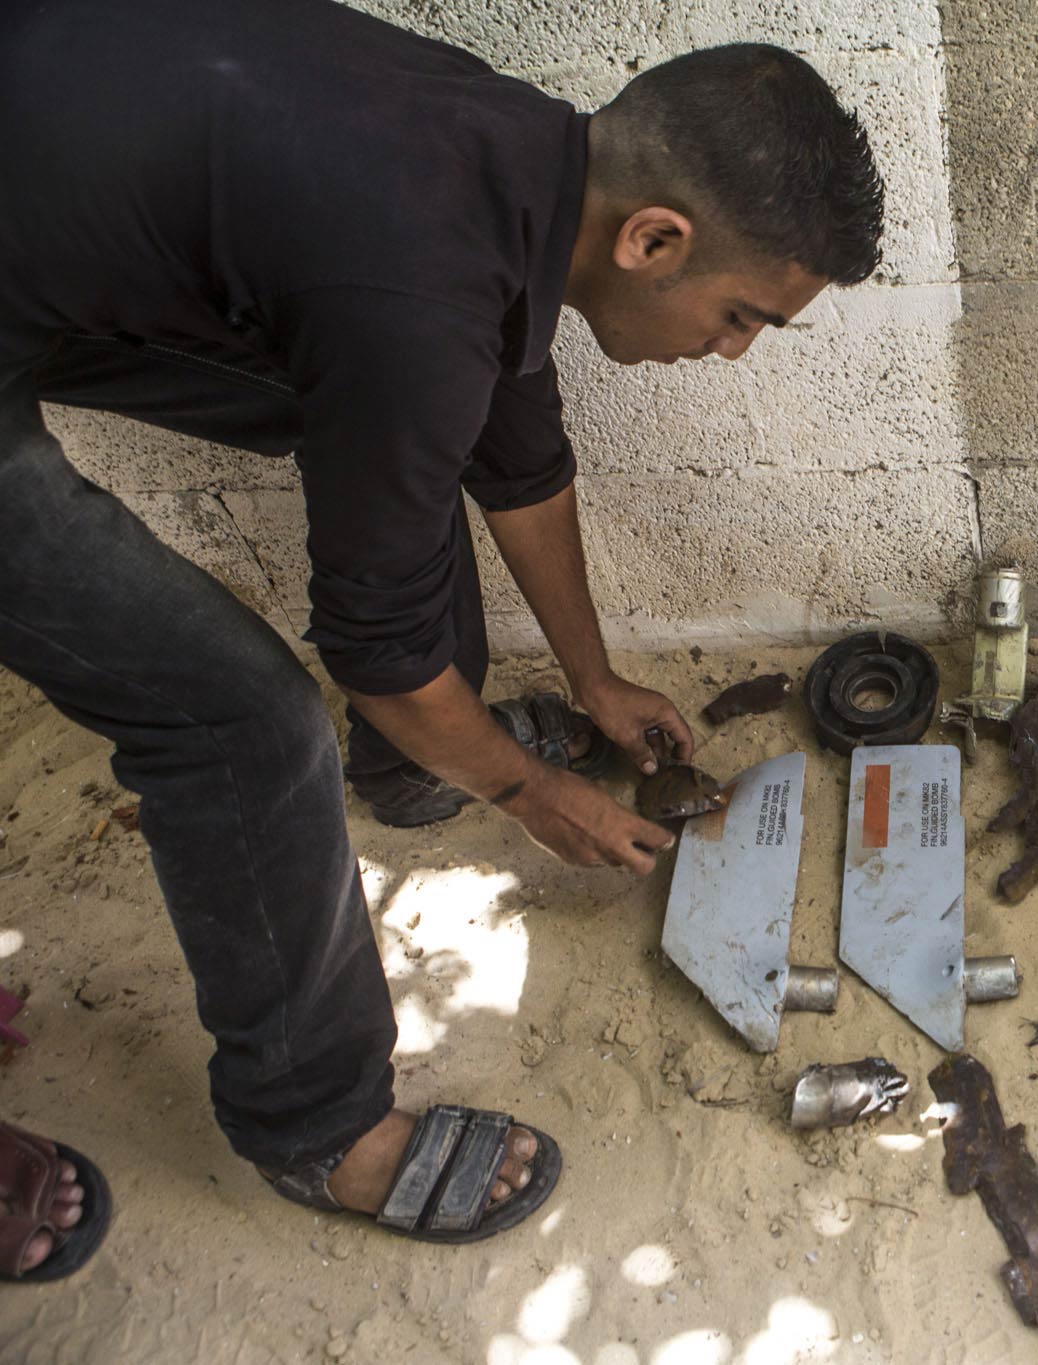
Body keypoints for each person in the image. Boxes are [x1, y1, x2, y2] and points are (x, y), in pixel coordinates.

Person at [0, 0, 885, 1270]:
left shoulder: (516, 164)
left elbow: (514, 450)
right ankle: (318, 1124)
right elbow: (377, 645)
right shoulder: (413, 288)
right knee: (238, 721)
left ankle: (415, 765)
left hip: (48, 207)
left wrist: (591, 679)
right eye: (743, 315)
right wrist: (532, 793)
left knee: (419, 419)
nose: (733, 351)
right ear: (653, 239)